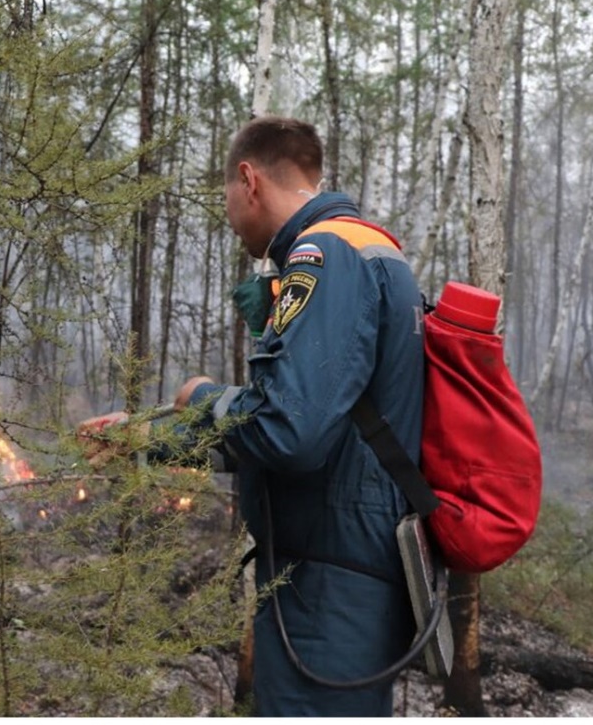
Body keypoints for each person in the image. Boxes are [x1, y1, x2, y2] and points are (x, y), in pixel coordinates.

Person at [83, 116, 424, 716]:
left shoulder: (329, 253)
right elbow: (303, 423)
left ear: (248, 179)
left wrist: (207, 398)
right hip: (337, 564)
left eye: (225, 197)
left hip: (332, 577)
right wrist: (150, 437)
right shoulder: (366, 248)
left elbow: (289, 433)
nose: (229, 213)